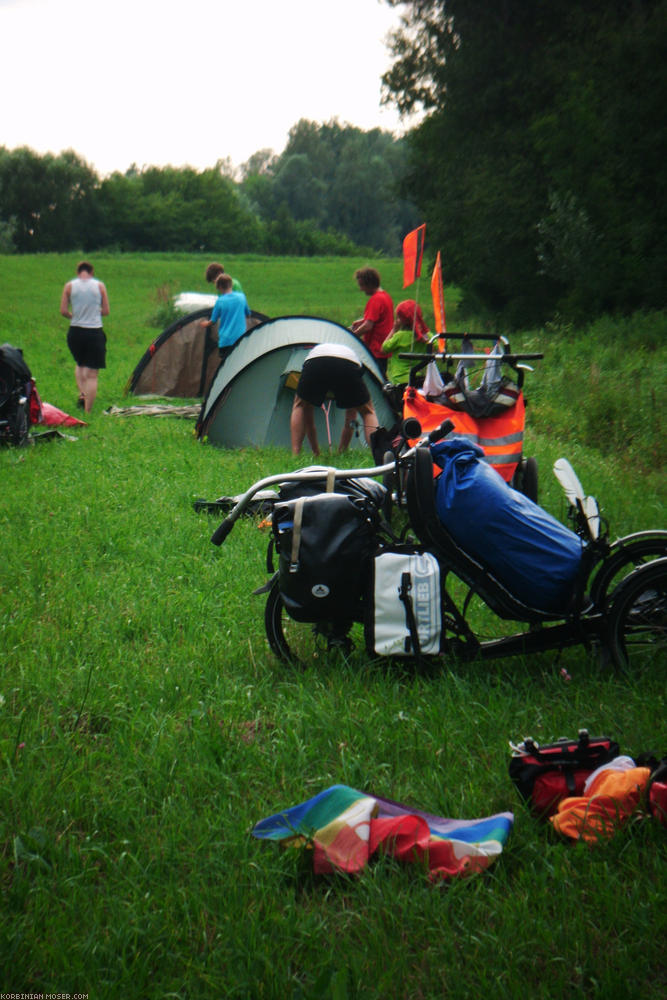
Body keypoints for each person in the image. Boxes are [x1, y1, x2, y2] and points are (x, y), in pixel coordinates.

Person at [290, 342, 379, 456]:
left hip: (316, 361)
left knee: (300, 405)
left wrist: (316, 451)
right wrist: (342, 450)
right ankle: (377, 454)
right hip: (348, 362)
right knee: (368, 412)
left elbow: (308, 419)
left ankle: (295, 454)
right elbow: (351, 418)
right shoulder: (352, 354)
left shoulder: (317, 350)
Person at [60, 260, 110, 413]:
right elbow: (106, 311)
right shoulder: (99, 286)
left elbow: (63, 311)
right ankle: (88, 410)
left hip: (75, 332)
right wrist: (95, 312)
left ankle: (82, 393)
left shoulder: (69, 286)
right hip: (94, 331)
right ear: (92, 272)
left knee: (80, 363)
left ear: (78, 272)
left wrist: (73, 315)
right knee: (92, 374)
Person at [350, 267, 394, 378]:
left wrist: (352, 336)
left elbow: (368, 326)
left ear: (369, 284)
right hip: (383, 349)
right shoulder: (386, 296)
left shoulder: (375, 300)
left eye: (362, 285)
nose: (361, 289)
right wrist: (362, 321)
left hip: (375, 350)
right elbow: (378, 319)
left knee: (371, 379)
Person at [200, 273, 250, 358]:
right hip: (240, 338)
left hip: (225, 341)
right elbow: (248, 314)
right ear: (231, 284)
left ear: (219, 287)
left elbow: (213, 320)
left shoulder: (220, 301)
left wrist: (205, 324)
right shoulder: (241, 297)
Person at [381, 300, 431, 386]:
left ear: (403, 320)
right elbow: (437, 347)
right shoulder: (426, 335)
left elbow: (384, 349)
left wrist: (394, 329)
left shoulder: (400, 336)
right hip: (418, 376)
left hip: (399, 379)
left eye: (398, 317)